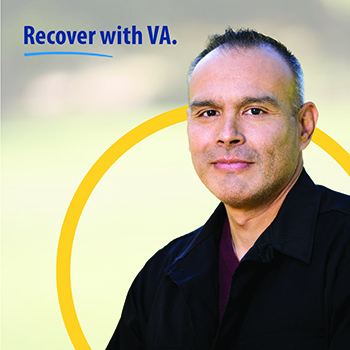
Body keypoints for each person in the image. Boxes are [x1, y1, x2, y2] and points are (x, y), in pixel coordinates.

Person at [106, 28, 350, 349]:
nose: (227, 134)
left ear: (304, 125)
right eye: (208, 113)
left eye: (255, 110)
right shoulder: (159, 279)